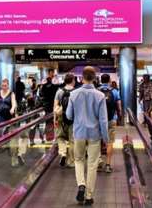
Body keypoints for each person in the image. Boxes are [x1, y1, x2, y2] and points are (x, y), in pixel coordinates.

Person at [66, 66, 109, 206]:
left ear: (81, 78)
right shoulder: (100, 96)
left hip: (78, 133)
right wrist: (106, 139)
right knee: (92, 165)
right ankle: (89, 196)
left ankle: (81, 185)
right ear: (95, 78)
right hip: (94, 135)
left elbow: (68, 115)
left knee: (78, 160)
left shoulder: (73, 94)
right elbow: (103, 120)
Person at [98, 73, 122, 173]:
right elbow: (119, 106)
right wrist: (120, 116)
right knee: (110, 142)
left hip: (98, 120)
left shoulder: (96, 91)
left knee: (98, 141)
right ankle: (108, 165)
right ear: (109, 81)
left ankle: (99, 162)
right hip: (111, 119)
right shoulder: (115, 91)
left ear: (100, 80)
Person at [54, 73, 75, 168]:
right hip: (73, 119)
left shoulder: (59, 91)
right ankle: (71, 161)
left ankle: (63, 153)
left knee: (60, 137)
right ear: (72, 81)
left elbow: (55, 106)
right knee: (72, 140)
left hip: (61, 117)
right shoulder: (76, 91)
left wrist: (55, 119)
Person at [40, 69, 59, 142]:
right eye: (52, 73)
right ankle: (50, 137)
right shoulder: (49, 83)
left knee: (51, 120)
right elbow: (42, 92)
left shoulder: (52, 82)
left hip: (51, 104)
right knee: (50, 120)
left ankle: (51, 137)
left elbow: (41, 93)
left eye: (53, 73)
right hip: (50, 104)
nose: (53, 74)